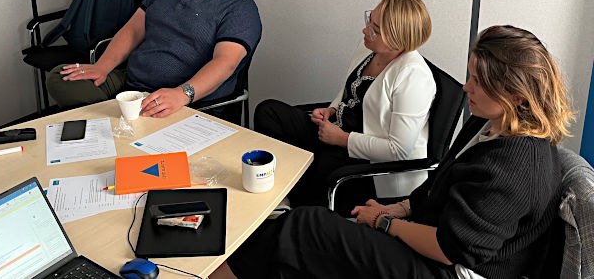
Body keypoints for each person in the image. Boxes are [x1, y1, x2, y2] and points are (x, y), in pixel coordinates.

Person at [212, 25, 574, 279]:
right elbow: (442, 188)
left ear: (515, 97)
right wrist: (396, 208)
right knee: (297, 234)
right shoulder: (489, 123)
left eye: (479, 81)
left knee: (306, 226)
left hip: (447, 269)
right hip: (435, 235)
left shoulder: (514, 168)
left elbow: (451, 251)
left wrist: (385, 222)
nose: (467, 87)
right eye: (471, 75)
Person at [46, 0, 261, 121]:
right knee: (61, 78)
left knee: (108, 122)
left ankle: (118, 119)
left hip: (181, 101)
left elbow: (225, 63)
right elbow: (133, 29)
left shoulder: (239, 6)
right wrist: (102, 67)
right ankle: (123, 116)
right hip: (130, 83)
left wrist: (182, 94)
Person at [254, 0, 435, 212]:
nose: (365, 30)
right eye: (369, 19)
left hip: (369, 161)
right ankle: (283, 191)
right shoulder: (370, 48)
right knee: (268, 112)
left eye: (375, 29)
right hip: (335, 132)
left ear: (396, 40)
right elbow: (351, 89)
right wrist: (331, 109)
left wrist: (342, 139)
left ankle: (292, 207)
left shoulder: (413, 77)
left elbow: (398, 150)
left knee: (319, 166)